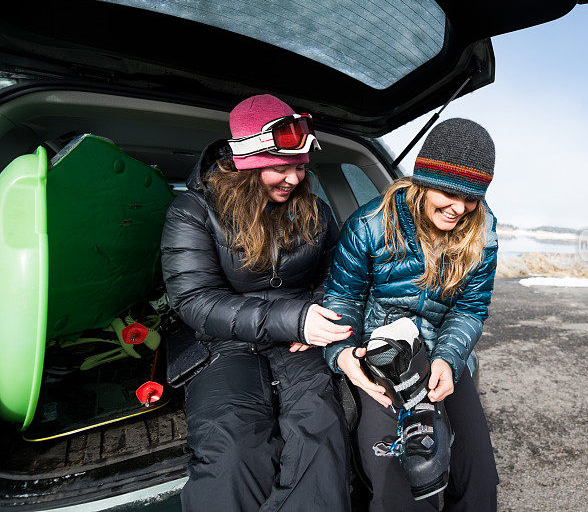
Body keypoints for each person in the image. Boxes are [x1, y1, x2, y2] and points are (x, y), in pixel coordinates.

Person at [160, 94, 351, 512]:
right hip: (221, 344)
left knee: (321, 439)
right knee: (231, 449)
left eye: (300, 167)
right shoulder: (193, 211)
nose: (295, 179)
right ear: (245, 166)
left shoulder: (315, 210)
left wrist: (317, 315)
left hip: (302, 342)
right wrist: (293, 318)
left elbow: (335, 276)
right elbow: (194, 301)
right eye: (280, 168)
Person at [323, 118, 500, 511]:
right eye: (451, 192)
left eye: (472, 198)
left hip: (441, 356)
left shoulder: (481, 235)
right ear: (422, 178)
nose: (460, 208)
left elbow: (470, 309)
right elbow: (342, 302)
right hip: (382, 358)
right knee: (395, 481)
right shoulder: (369, 226)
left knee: (479, 477)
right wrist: (342, 354)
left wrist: (448, 359)